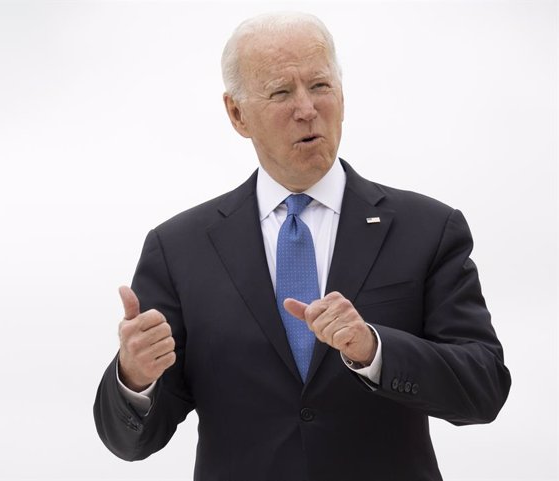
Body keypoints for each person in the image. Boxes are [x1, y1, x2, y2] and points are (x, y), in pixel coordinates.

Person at [93, 12, 511, 481]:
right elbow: (131, 442)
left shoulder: (428, 228)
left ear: (342, 95)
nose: (307, 108)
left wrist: (373, 349)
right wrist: (134, 377)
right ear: (237, 114)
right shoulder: (179, 249)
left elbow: (484, 386)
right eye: (280, 92)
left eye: (320, 86)